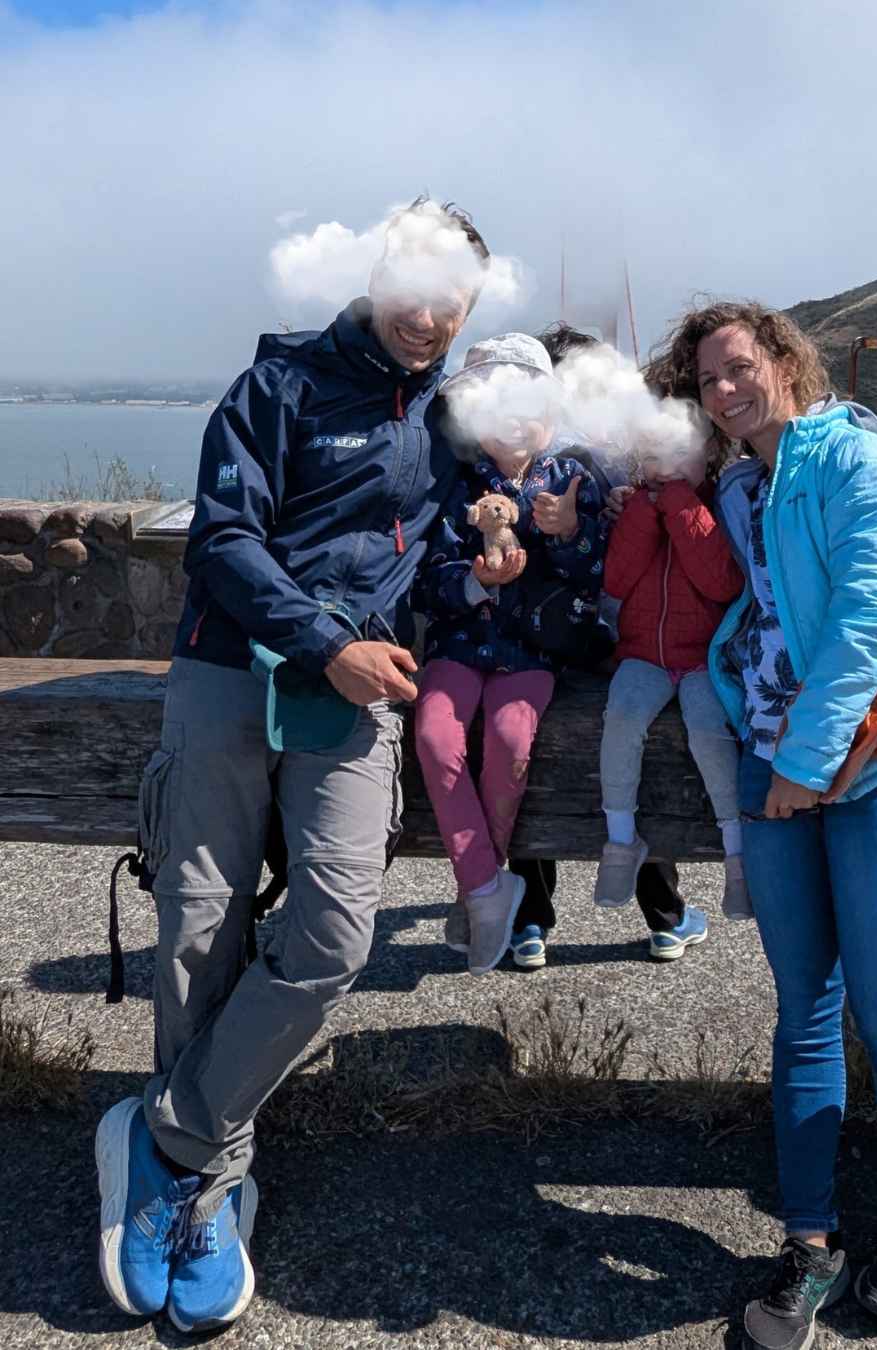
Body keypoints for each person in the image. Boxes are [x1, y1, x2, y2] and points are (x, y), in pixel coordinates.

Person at [94, 198, 490, 1333]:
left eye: (451, 301)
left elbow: (443, 554)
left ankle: (167, 1135)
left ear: (470, 305)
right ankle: (209, 1191)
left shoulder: (454, 418)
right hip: (234, 666)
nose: (427, 318)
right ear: (378, 275)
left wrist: (494, 554)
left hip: (357, 692)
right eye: (413, 289)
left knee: (335, 935)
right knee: (198, 924)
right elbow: (222, 540)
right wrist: (326, 643)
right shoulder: (279, 386)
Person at [649, 299, 877, 1350]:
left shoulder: (867, 465)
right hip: (772, 756)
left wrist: (801, 764)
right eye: (706, 380)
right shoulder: (739, 486)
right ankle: (810, 1240)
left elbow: (867, 618)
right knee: (803, 1009)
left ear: (785, 361)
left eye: (738, 366)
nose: (723, 390)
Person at [413, 334, 605, 973]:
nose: (515, 420)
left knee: (509, 739)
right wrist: (474, 582)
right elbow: (425, 580)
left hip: (534, 650)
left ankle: (480, 889)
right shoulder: (453, 482)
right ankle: (485, 888)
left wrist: (570, 533)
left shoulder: (573, 480)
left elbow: (596, 579)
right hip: (458, 641)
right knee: (435, 737)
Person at [503, 323, 693, 956]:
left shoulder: (518, 453)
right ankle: (664, 917)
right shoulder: (614, 454)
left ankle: (531, 922)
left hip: (539, 642)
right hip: (616, 643)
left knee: (526, 761)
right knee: (638, 758)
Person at [593, 409, 749, 957]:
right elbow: (617, 579)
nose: (666, 468)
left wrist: (681, 506)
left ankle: (737, 853)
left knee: (709, 731)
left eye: (680, 454)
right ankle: (620, 842)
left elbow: (721, 582)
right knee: (621, 719)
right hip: (643, 656)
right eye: (653, 457)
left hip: (705, 658)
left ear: (709, 453)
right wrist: (642, 511)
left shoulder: (721, 506)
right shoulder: (636, 504)